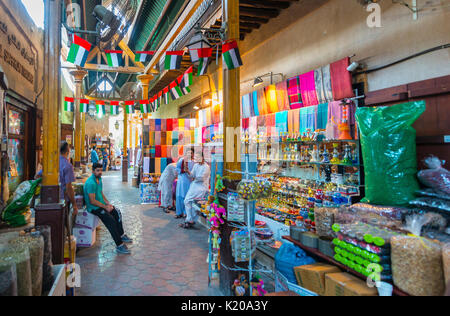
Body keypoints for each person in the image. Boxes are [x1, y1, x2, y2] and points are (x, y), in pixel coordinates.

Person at [83, 163, 133, 254]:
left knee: (117, 213)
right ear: (93, 171)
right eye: (97, 170)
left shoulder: (99, 179)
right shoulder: (91, 183)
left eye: (101, 170)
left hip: (101, 205)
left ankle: (121, 235)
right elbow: (92, 201)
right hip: (94, 208)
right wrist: (105, 207)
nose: (100, 172)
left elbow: (100, 192)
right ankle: (119, 245)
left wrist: (108, 204)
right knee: (111, 221)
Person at [180, 152, 211, 229]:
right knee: (187, 201)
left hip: (201, 187)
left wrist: (194, 177)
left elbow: (201, 178)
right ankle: (189, 220)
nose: (195, 159)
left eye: (197, 157)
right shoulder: (196, 165)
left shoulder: (206, 167)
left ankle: (189, 220)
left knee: (192, 203)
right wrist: (187, 171)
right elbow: (192, 176)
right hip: (194, 186)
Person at [60, 142, 78, 227]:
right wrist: (74, 204)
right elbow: (68, 187)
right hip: (63, 199)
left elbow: (37, 175)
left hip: (49, 199)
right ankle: (63, 239)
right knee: (63, 224)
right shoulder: (67, 165)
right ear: (68, 151)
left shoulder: (51, 163)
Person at [175, 149, 194, 219]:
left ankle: (186, 213)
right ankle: (179, 212)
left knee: (187, 197)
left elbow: (193, 172)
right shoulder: (182, 160)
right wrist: (182, 171)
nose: (190, 154)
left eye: (191, 153)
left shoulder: (193, 162)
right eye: (188, 153)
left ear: (193, 154)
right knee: (179, 196)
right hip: (181, 180)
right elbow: (177, 169)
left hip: (189, 181)